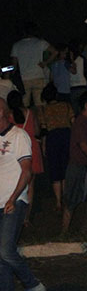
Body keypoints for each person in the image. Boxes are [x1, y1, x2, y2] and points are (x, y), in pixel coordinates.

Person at [0, 97, 47, 291]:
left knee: (5, 251)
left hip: (13, 201)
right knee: (1, 256)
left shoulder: (18, 136)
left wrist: (13, 197)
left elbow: (27, 170)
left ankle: (33, 284)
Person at [7, 90, 43, 226]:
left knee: (16, 183)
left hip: (16, 150)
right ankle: (26, 217)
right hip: (32, 148)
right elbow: (37, 131)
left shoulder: (8, 116)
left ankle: (14, 212)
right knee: (30, 185)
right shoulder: (29, 113)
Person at [10, 22, 56, 113]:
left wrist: (12, 76)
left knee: (24, 105)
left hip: (24, 79)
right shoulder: (40, 42)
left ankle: (25, 123)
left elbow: (14, 65)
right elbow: (55, 52)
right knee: (40, 104)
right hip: (38, 76)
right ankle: (43, 123)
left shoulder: (17, 45)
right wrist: (45, 63)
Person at [40, 84, 72, 212]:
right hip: (66, 136)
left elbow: (43, 129)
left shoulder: (43, 110)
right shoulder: (66, 106)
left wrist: (43, 144)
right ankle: (65, 198)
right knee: (65, 167)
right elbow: (72, 121)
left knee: (55, 170)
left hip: (52, 138)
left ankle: (58, 201)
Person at [62, 92, 87, 233]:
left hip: (84, 165)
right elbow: (83, 145)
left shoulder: (86, 122)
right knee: (72, 198)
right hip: (78, 164)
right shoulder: (81, 122)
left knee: (80, 197)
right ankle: (64, 230)